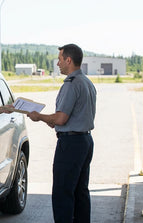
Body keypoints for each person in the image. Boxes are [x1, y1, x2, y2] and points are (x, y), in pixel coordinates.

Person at [27, 44, 96, 223]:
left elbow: (61, 119)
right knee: (80, 191)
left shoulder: (71, 84)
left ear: (68, 60)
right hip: (85, 141)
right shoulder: (86, 82)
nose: (58, 64)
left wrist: (39, 116)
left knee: (62, 193)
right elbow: (71, 117)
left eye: (59, 59)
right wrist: (53, 121)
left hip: (71, 144)